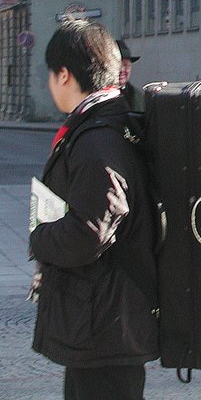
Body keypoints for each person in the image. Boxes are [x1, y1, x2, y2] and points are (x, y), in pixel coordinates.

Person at [30, 20, 159, 399]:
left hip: (104, 323)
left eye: (51, 74)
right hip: (106, 320)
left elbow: (89, 233)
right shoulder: (107, 123)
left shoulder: (97, 139)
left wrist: (40, 236)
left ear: (64, 75)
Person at [116, 39, 145, 113]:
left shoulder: (138, 97)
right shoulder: (97, 96)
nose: (122, 70)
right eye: (117, 65)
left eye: (126, 65)